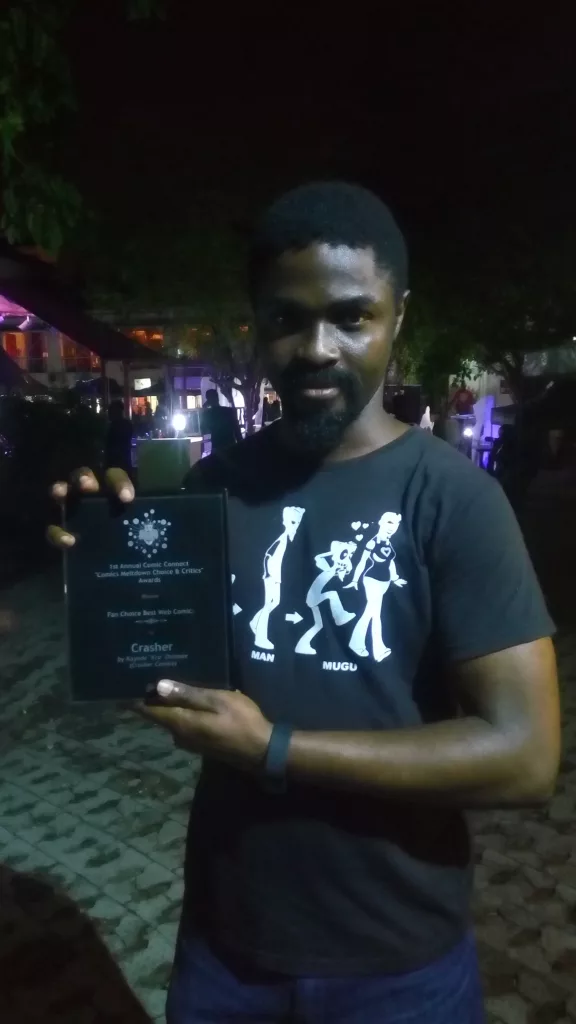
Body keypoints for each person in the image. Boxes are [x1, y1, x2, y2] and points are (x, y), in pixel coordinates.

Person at [48, 182, 560, 1024]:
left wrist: (276, 749)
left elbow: (526, 755)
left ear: (398, 318)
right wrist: (105, 553)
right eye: (287, 318)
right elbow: (168, 679)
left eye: (352, 316)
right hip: (228, 949)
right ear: (257, 325)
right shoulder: (214, 489)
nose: (317, 347)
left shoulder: (454, 499)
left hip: (399, 968)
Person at [201, 388, 243, 452]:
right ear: (217, 398)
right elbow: (237, 430)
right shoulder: (229, 411)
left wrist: (204, 410)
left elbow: (204, 430)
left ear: (208, 400)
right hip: (230, 445)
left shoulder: (208, 414)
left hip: (217, 447)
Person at [104, 400, 133, 476]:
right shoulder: (127, 424)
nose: (108, 413)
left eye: (110, 411)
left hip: (114, 461)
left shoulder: (112, 426)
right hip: (125, 460)